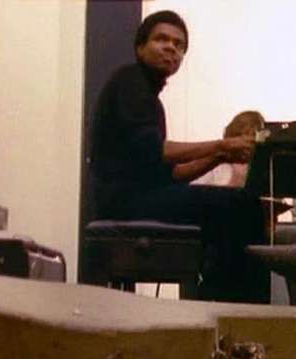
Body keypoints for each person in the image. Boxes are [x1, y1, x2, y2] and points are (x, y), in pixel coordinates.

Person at [90, 10, 269, 303]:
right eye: (161, 39)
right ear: (140, 47)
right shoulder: (130, 82)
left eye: (179, 44)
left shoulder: (149, 99)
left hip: (138, 198)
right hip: (125, 201)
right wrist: (221, 146)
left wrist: (219, 157)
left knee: (236, 208)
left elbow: (172, 175)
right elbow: (158, 150)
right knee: (243, 207)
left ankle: (217, 304)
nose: (171, 48)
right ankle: (241, 313)